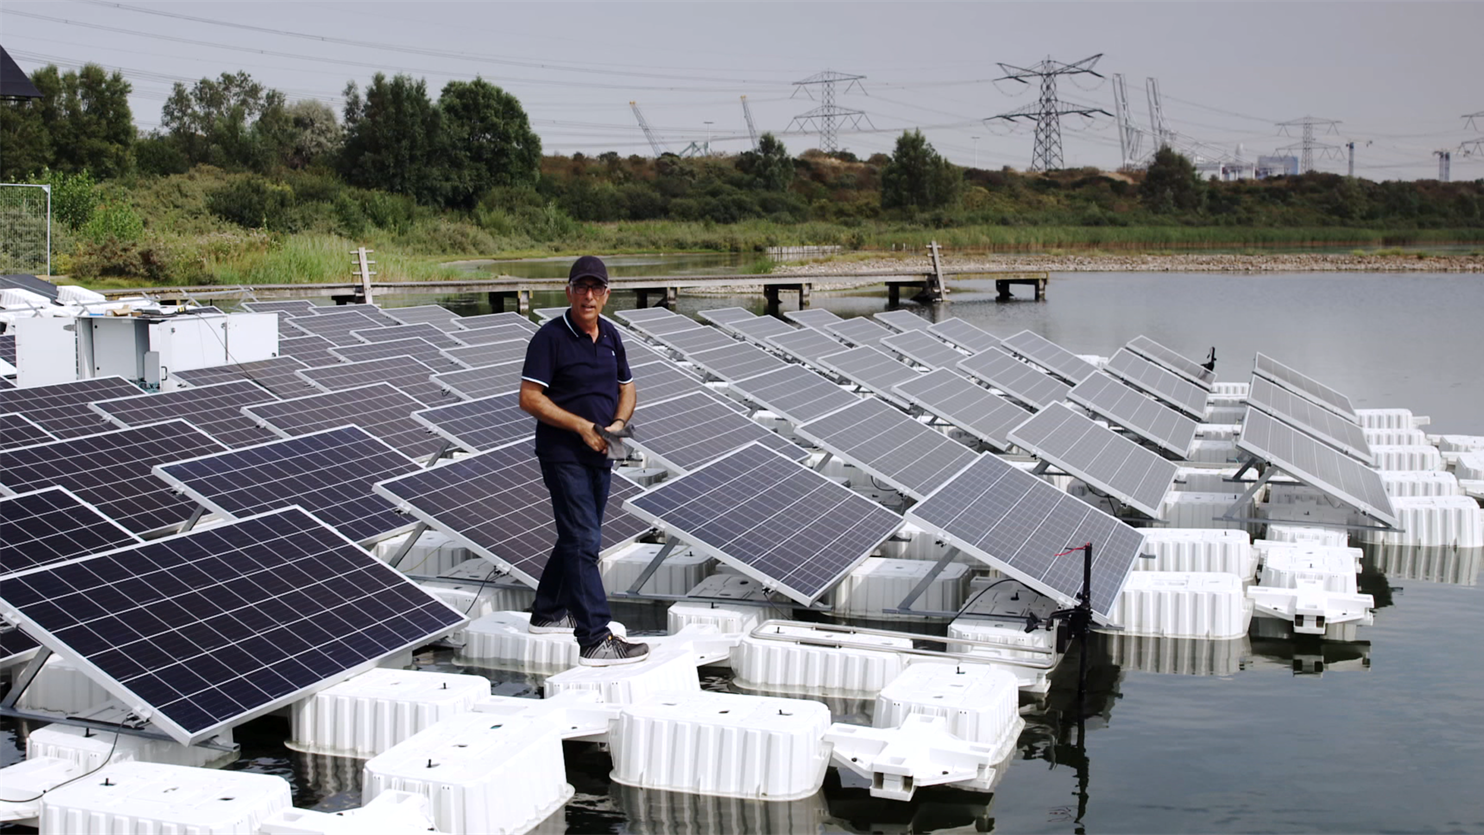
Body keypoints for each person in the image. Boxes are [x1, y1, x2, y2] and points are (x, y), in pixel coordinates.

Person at [518, 255, 649, 666]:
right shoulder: (550, 337)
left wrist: (617, 425)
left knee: (580, 534)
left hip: (607, 444)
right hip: (564, 452)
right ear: (569, 291)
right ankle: (594, 638)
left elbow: (627, 389)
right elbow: (529, 397)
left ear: (607, 295)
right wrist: (580, 426)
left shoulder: (611, 336)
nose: (588, 296)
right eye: (581, 288)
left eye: (596, 289)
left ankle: (546, 613)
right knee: (584, 540)